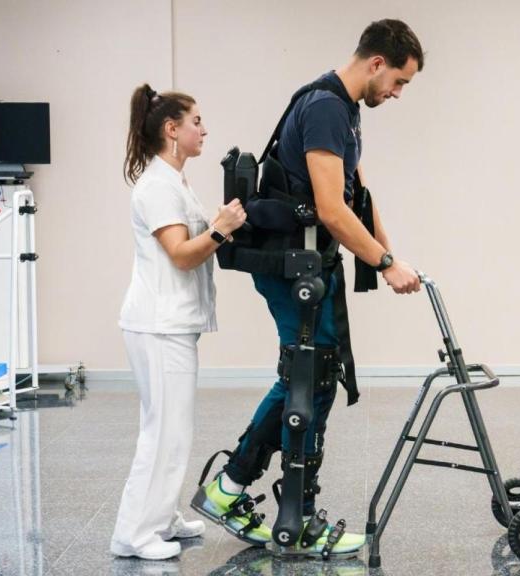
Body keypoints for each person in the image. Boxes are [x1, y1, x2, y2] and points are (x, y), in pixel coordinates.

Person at [191, 19, 424, 557]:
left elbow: (358, 195)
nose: (397, 94)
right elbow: (329, 208)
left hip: (307, 262)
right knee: (308, 374)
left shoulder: (346, 111)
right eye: (399, 82)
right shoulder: (324, 106)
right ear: (376, 63)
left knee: (314, 374)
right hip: (288, 262)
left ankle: (260, 499)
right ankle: (252, 497)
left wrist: (390, 254)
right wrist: (384, 262)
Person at [111, 84, 247, 560]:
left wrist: (219, 226)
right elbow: (182, 256)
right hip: (158, 325)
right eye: (196, 122)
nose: (204, 129)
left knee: (172, 426)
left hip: (169, 322)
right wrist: (220, 229)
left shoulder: (174, 180)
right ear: (172, 129)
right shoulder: (157, 186)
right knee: (163, 430)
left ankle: (161, 516)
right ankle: (134, 535)